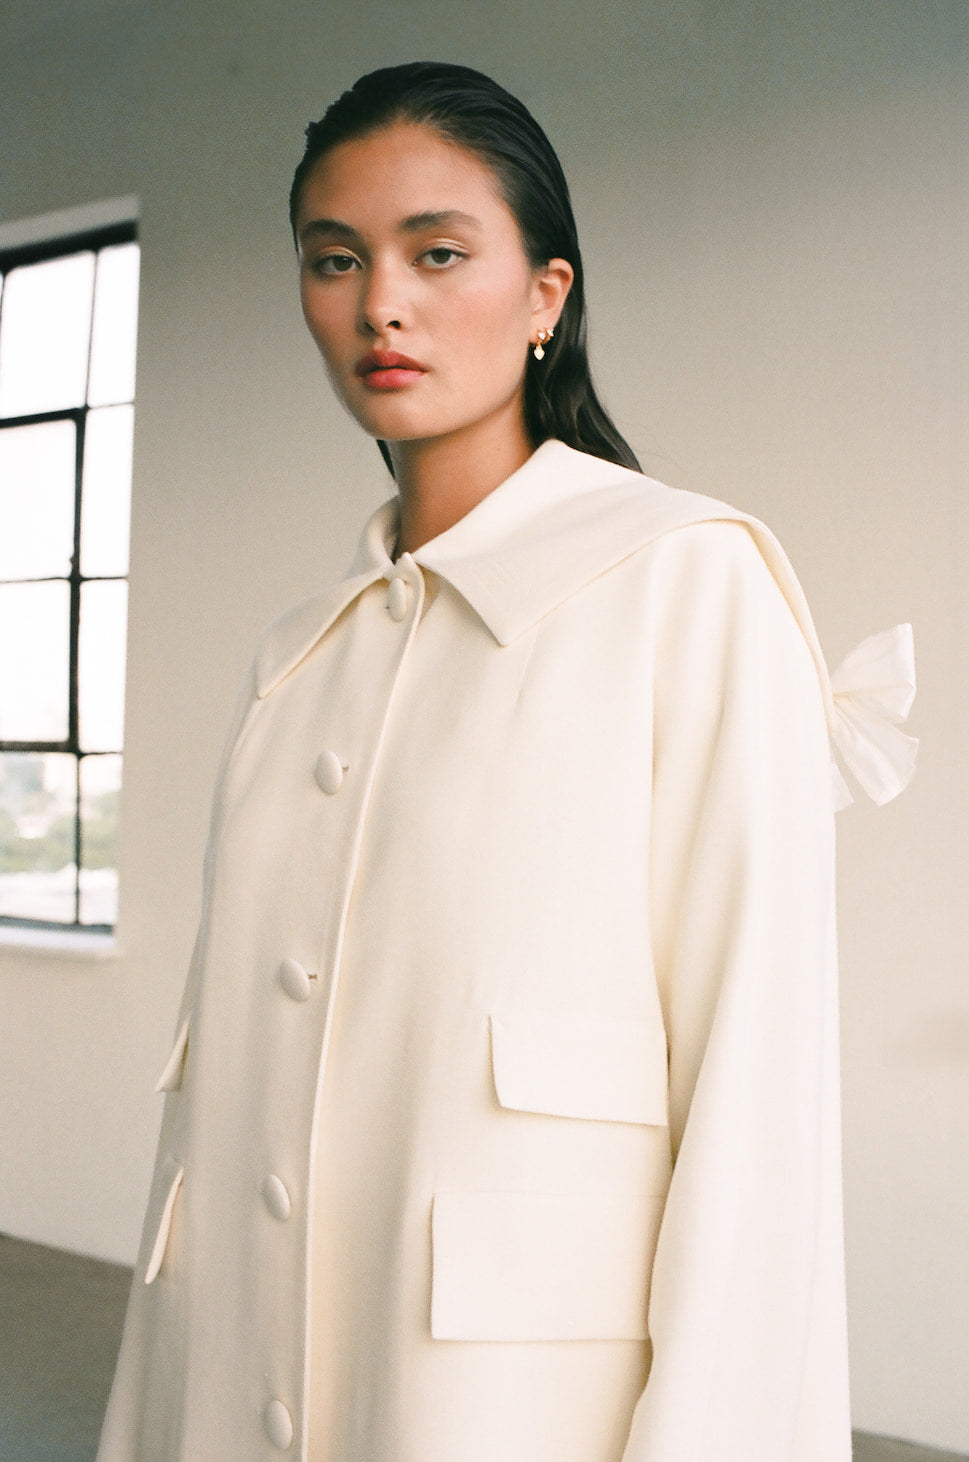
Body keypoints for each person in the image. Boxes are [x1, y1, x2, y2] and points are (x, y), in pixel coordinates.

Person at [96, 61, 917, 1462]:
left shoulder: (689, 587)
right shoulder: (297, 655)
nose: (381, 306)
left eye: (438, 253)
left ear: (546, 292)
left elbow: (753, 1098)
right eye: (333, 259)